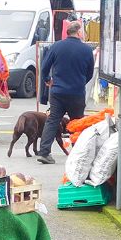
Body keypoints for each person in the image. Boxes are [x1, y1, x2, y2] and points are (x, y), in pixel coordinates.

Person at [37, 21, 94, 164]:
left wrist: (47, 79)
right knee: (77, 122)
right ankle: (78, 153)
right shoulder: (86, 50)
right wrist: (80, 82)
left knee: (52, 120)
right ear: (79, 32)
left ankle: (44, 152)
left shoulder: (56, 46)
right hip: (76, 92)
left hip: (57, 91)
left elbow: (44, 67)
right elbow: (90, 73)